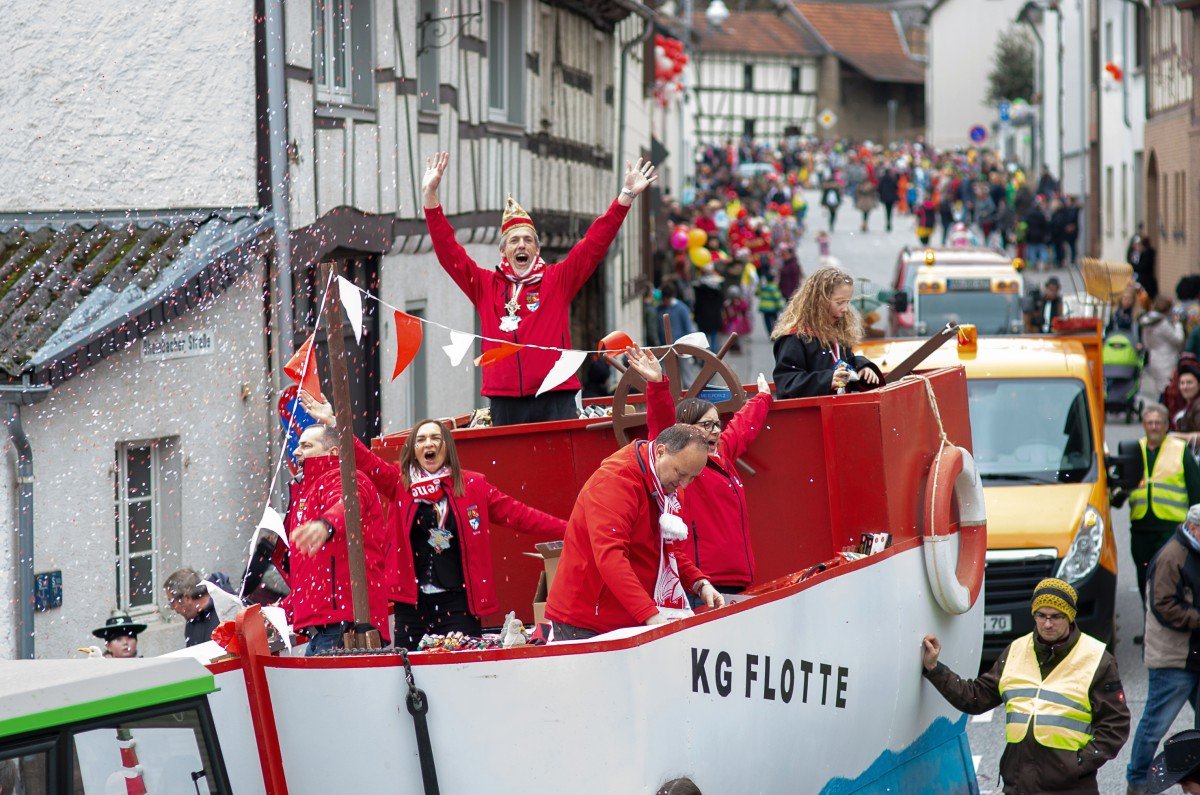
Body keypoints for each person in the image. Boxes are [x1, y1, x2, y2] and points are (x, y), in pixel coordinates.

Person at [302, 398, 567, 650]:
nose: (428, 443)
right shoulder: (399, 483)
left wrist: (571, 529)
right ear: (413, 450)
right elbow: (366, 461)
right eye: (421, 439)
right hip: (412, 606)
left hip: (458, 604)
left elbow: (520, 515)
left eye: (435, 438)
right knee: (410, 671)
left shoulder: (473, 485)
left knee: (460, 669)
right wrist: (336, 423)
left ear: (446, 447)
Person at [421, 151, 657, 425]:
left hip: (555, 395)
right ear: (503, 251)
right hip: (504, 399)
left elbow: (594, 244)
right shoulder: (484, 285)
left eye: (528, 240)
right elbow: (449, 252)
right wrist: (430, 198)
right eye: (514, 241)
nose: (521, 245)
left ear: (537, 249)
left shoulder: (557, 279)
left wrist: (625, 197)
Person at [921, 578, 1130, 793]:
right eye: (1041, 615)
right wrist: (934, 669)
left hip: (1071, 788)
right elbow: (975, 698)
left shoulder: (1097, 659)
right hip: (1019, 786)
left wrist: (1078, 764)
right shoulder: (1016, 650)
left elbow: (1115, 724)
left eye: (1056, 616)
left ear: (1069, 616)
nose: (1047, 624)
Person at [544, 425, 725, 640]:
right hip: (586, 620)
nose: (684, 485)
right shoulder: (615, 481)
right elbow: (610, 556)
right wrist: (649, 614)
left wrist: (699, 583)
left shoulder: (667, 486)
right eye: (681, 473)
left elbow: (667, 550)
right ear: (660, 452)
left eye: (693, 477)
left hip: (627, 616)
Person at [627, 346, 772, 597]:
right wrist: (657, 384)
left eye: (717, 423)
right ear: (684, 429)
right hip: (704, 581)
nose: (715, 430)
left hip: (736, 577)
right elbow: (662, 427)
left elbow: (741, 428)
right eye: (706, 424)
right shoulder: (685, 465)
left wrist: (762, 398)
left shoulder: (720, 454)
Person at [281, 424, 391, 654]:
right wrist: (282, 611)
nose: (297, 452)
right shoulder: (309, 490)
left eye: (307, 446)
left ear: (332, 452)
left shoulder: (343, 477)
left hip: (346, 627)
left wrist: (326, 524)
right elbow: (313, 574)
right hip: (328, 627)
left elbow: (348, 502)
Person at [1126, 505, 1200, 794]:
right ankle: (1137, 781)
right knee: (1154, 726)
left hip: (1194, 654)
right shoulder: (1172, 557)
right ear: (1193, 529)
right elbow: (1163, 606)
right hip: (1174, 659)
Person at [770, 265, 882, 398]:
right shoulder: (795, 338)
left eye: (847, 302)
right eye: (839, 302)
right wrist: (827, 380)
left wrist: (862, 367)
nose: (845, 309)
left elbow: (846, 362)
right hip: (812, 410)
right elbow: (787, 383)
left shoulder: (836, 332)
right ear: (819, 301)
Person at [1128, 404, 1200, 611]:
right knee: (1144, 577)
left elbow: (1195, 489)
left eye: (1158, 423)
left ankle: (1169, 619)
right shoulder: (1134, 449)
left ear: (1167, 425)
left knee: (1169, 578)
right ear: (1143, 425)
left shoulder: (1180, 450)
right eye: (1149, 422)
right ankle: (1149, 620)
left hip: (1170, 530)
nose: (1154, 427)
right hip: (1141, 529)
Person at [1141, 296, 1184, 401]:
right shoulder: (1162, 323)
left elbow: (1146, 343)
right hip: (1167, 358)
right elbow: (1178, 339)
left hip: (1154, 357)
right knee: (1167, 389)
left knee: (1160, 389)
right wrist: (1178, 324)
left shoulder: (1147, 322)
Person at [163, 568, 220, 648]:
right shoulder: (192, 618)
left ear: (187, 598)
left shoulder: (223, 615)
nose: (172, 607)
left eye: (172, 601)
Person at [755, 267, 785, 337]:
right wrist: (780, 306)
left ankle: (770, 333)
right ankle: (776, 332)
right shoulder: (774, 287)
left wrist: (759, 285)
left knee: (767, 321)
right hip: (773, 308)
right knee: (775, 321)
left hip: (764, 308)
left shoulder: (763, 288)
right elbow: (777, 297)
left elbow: (757, 294)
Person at [878, 167, 899, 232]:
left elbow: (879, 188)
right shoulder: (893, 179)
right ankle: (889, 221)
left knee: (886, 210)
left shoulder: (882, 179)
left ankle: (887, 221)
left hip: (885, 197)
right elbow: (896, 187)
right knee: (890, 210)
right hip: (891, 197)